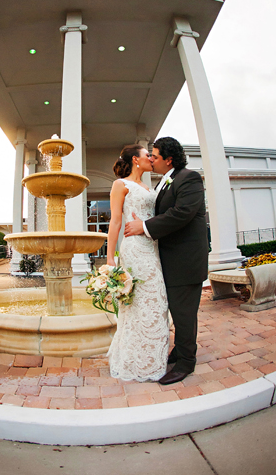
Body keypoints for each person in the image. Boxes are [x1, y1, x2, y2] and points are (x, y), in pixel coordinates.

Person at [124, 137, 209, 385]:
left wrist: (144, 226)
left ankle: (186, 363)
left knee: (183, 313)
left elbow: (181, 213)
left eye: (155, 156)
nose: (151, 159)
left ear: (169, 159)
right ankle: (179, 351)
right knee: (177, 310)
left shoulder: (189, 178)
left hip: (185, 261)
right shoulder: (165, 180)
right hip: (170, 260)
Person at [106, 144, 169, 382]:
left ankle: (152, 358)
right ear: (135, 159)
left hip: (152, 248)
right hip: (134, 249)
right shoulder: (120, 185)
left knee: (156, 301)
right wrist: (110, 257)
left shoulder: (148, 186)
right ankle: (135, 361)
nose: (151, 159)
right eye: (147, 156)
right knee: (138, 303)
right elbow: (115, 222)